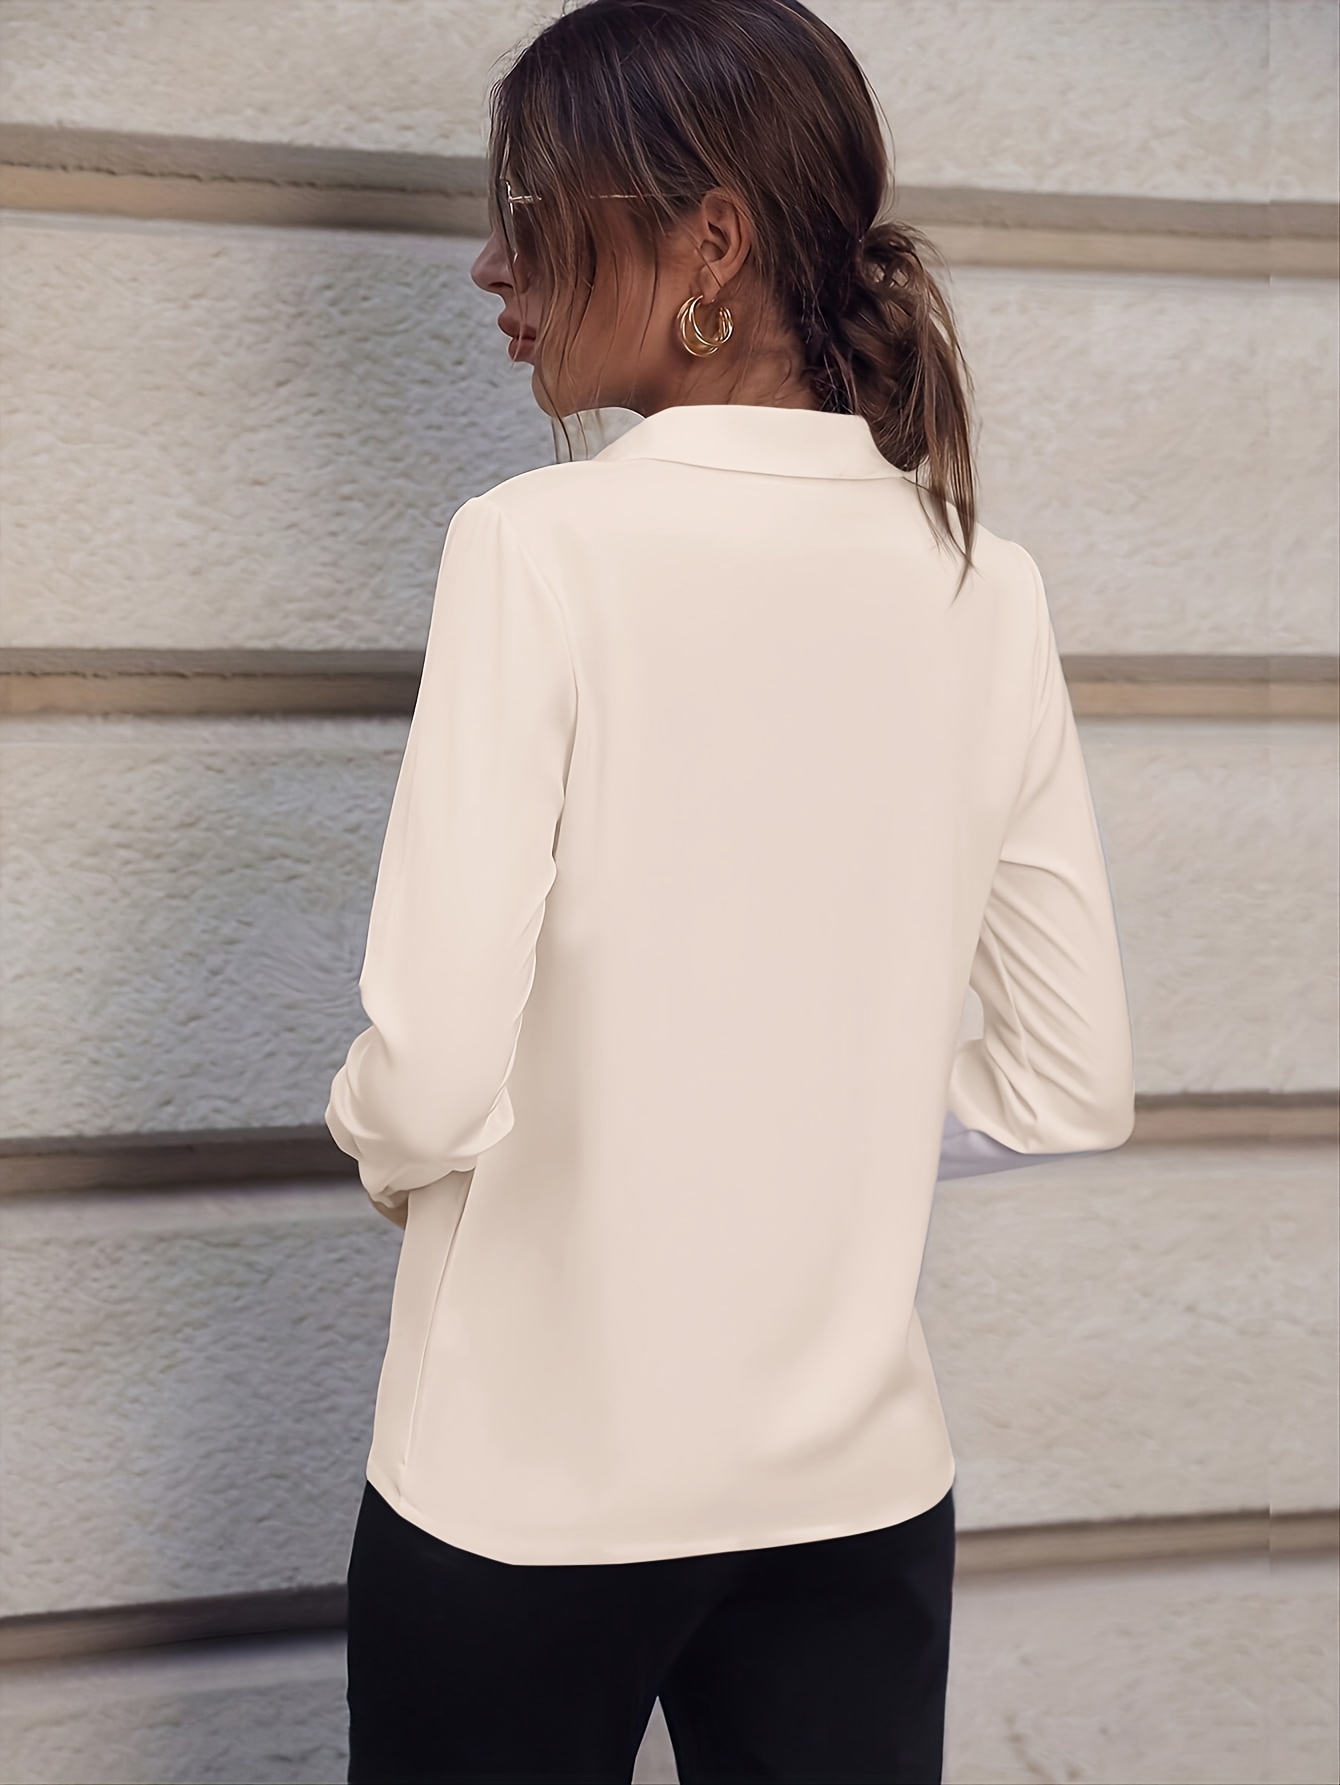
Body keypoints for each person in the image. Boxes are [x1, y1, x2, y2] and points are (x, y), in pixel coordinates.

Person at [325, 1, 1135, 1779]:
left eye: (529, 211)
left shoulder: (535, 549)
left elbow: (432, 1080)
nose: (491, 266)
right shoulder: (984, 582)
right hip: (856, 1497)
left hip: (526, 1495)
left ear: (712, 243)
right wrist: (808, 1133)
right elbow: (1069, 1083)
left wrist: (380, 1137)